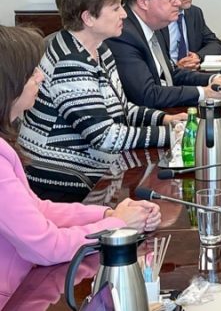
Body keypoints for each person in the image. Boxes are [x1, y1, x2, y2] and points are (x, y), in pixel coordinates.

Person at [0, 25, 161, 307]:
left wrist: (107, 214)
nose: (41, 77)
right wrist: (117, 225)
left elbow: (38, 209)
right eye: (32, 73)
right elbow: (46, 246)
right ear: (9, 85)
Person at [17, 0, 186, 202]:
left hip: (96, 174)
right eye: (116, 8)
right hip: (65, 183)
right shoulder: (70, 62)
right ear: (88, 18)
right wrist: (172, 134)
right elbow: (104, 136)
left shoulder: (100, 49)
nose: (124, 14)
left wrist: (165, 119)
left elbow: (122, 108)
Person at [105, 0, 221, 109]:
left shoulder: (154, 25)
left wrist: (214, 79)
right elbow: (147, 95)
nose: (178, 2)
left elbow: (170, 74)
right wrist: (205, 93)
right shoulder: (123, 35)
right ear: (143, 1)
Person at [157, 0, 221, 70]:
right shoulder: (155, 17)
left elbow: (215, 44)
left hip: (192, 75)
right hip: (166, 77)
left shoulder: (194, 13)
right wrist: (176, 68)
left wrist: (197, 57)